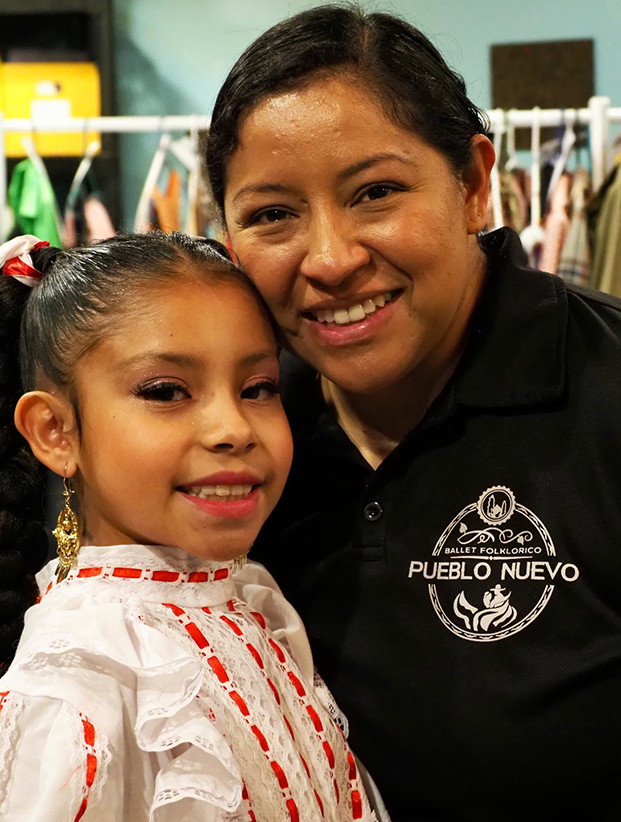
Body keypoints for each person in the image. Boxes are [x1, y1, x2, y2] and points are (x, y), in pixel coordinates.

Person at [204, 5, 621, 821]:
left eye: (376, 192)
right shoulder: (229, 438)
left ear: (471, 182)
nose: (329, 260)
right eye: (271, 215)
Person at [0, 232, 379, 821]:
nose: (232, 427)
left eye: (258, 388)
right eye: (166, 391)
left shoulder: (254, 601)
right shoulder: (85, 670)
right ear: (56, 431)